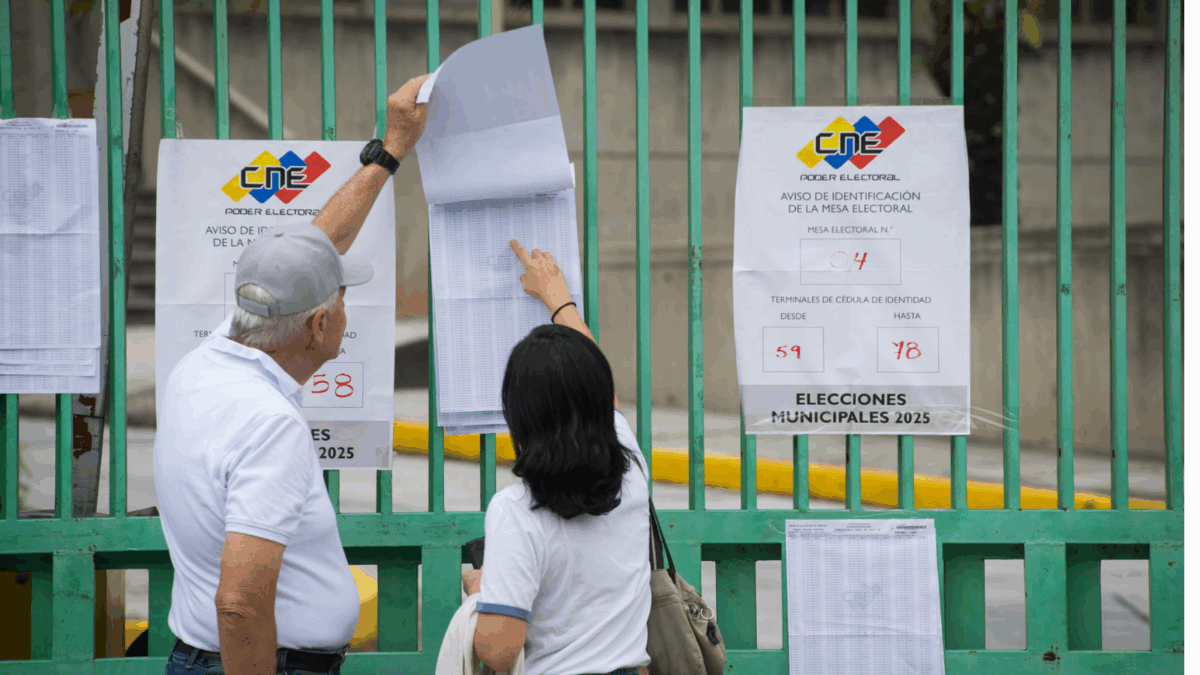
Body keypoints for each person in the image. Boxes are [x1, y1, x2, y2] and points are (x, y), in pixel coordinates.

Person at [152, 73, 430, 675]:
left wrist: (391, 149)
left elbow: (310, 247)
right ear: (317, 326)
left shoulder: (208, 360)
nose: (347, 314)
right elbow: (241, 604)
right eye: (342, 302)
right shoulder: (268, 422)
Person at [460, 240, 652, 675]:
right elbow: (607, 397)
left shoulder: (517, 511)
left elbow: (499, 651)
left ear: (520, 416)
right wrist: (558, 299)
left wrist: (480, 593)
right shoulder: (632, 471)